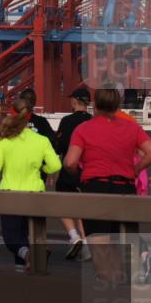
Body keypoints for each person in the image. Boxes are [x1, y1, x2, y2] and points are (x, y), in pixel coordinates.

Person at [63, 87, 151, 283]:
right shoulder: (132, 128)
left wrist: (78, 175)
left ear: (95, 106)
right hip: (125, 188)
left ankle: (111, 283)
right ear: (117, 105)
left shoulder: (83, 129)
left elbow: (70, 162)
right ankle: (132, 277)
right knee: (126, 239)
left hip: (95, 189)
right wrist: (136, 170)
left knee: (100, 243)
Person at [0, 99, 62, 272]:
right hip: (36, 192)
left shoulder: (3, 141)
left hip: (10, 193)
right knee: (29, 234)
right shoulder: (41, 140)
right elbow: (56, 166)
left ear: (12, 113)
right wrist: (43, 168)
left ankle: (29, 256)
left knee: (12, 237)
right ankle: (24, 267)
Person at [53, 88, 93, 260]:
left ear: (75, 101)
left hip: (70, 168)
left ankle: (74, 236)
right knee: (84, 206)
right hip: (89, 170)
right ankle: (85, 241)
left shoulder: (67, 121)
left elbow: (59, 146)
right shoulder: (93, 121)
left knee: (63, 201)